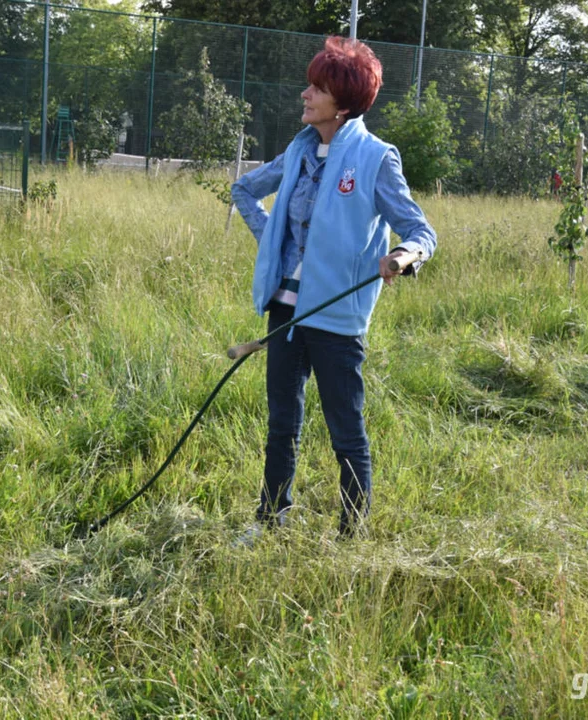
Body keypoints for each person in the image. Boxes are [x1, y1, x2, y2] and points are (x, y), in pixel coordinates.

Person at [230, 36, 436, 541]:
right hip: (284, 310)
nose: (305, 94)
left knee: (346, 432)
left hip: (337, 320)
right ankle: (271, 519)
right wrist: (271, 243)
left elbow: (420, 231)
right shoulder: (298, 151)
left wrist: (403, 256)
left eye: (316, 88)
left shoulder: (374, 157)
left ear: (342, 104)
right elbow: (243, 189)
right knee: (282, 423)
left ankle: (351, 534)